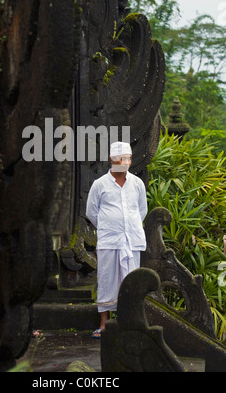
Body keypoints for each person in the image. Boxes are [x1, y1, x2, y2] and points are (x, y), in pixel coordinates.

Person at [86, 141, 148, 338]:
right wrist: (109, 226)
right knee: (107, 280)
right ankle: (105, 323)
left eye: (129, 158)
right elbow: (91, 212)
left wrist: (129, 226)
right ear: (112, 160)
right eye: (122, 158)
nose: (127, 162)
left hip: (132, 241)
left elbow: (141, 210)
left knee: (130, 281)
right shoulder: (100, 185)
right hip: (109, 240)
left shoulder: (137, 183)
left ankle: (129, 323)